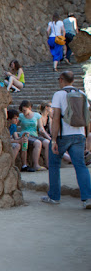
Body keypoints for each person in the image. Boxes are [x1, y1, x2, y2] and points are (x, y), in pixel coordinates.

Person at [41, 71, 91, 209]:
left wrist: (54, 139)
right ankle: (88, 198)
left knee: (54, 164)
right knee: (80, 165)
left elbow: (56, 117)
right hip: (79, 134)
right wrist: (86, 136)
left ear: (61, 79)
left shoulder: (59, 95)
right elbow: (88, 117)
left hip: (63, 135)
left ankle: (54, 196)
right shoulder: (82, 94)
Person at [18, 100, 48, 171]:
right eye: (22, 111)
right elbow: (15, 124)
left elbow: (41, 128)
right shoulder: (21, 116)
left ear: (30, 108)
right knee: (38, 143)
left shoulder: (37, 115)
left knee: (47, 143)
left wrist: (49, 138)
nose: (23, 112)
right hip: (25, 135)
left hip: (35, 135)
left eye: (25, 110)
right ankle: (36, 164)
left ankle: (48, 164)